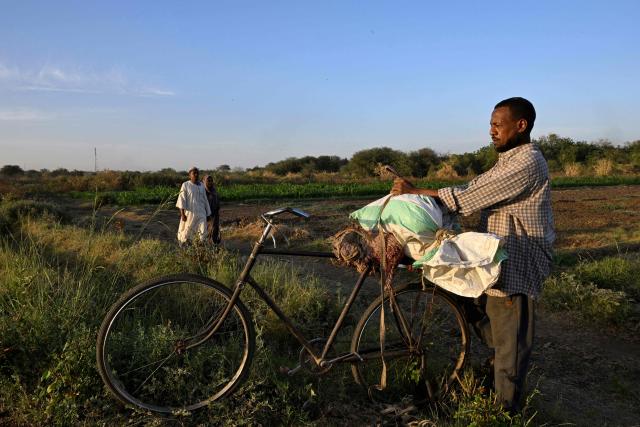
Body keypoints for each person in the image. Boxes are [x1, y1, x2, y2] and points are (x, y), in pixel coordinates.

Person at [391, 97, 555, 412]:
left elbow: (472, 196)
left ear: (520, 125)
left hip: (517, 259)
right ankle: (493, 377)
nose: (491, 130)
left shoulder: (528, 161)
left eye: (498, 124)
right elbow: (474, 184)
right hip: (498, 255)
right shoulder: (509, 159)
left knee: (510, 342)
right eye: (490, 124)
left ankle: (503, 412)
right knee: (475, 308)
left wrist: (416, 193)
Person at [176, 167, 211, 244]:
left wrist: (208, 214)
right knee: (187, 232)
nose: (196, 175)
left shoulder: (202, 185)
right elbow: (181, 199)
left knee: (202, 232)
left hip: (201, 214)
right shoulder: (185, 185)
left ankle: (200, 248)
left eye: (197, 173)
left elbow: (205, 200)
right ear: (189, 175)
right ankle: (186, 248)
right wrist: (182, 214)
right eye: (194, 173)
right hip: (190, 214)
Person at [202, 174, 221, 244]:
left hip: (215, 214)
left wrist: (216, 212)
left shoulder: (214, 190)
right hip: (205, 215)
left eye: (211, 181)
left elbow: (217, 201)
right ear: (203, 181)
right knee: (205, 231)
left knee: (215, 230)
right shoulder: (202, 192)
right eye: (208, 181)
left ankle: (214, 245)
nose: (210, 182)